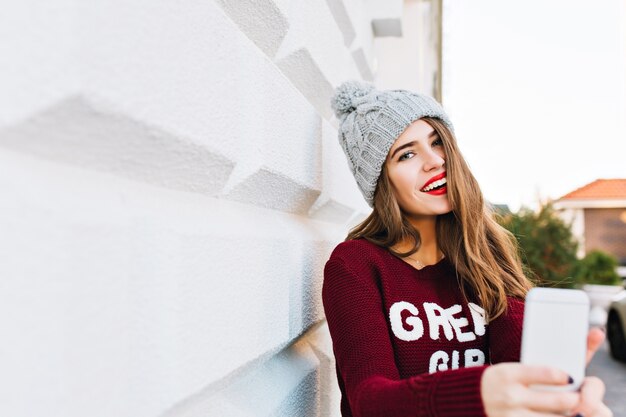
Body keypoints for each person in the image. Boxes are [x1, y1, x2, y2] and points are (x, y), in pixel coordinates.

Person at [322, 81, 611, 417]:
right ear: (381, 181)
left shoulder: (484, 252)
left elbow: (518, 358)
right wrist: (480, 390)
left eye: (437, 142)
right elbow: (369, 402)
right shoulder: (355, 265)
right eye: (407, 154)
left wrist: (560, 393)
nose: (434, 161)